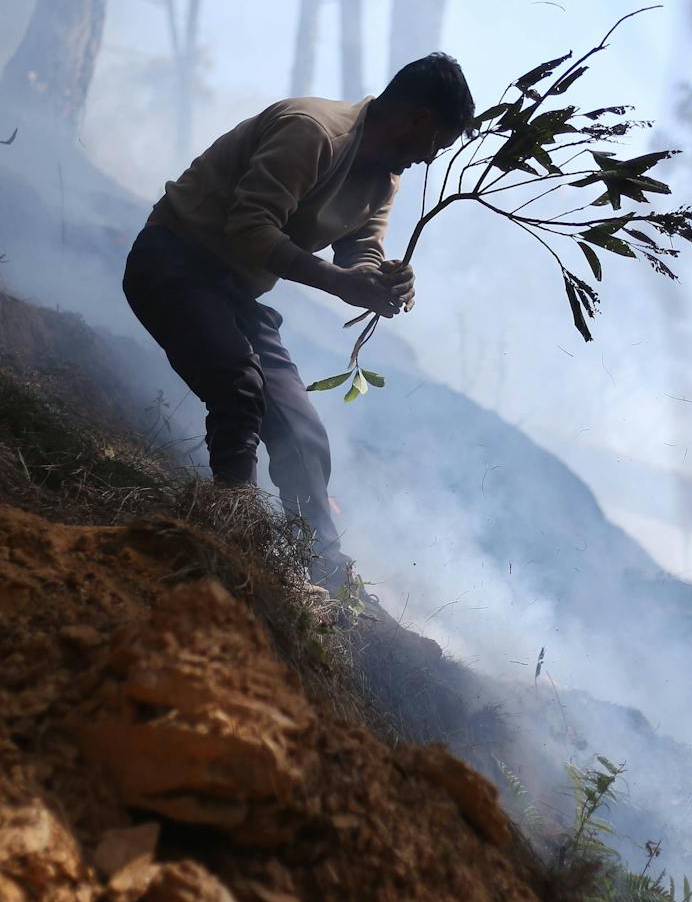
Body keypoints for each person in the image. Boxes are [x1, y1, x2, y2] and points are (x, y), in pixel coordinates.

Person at [123, 53, 474, 588]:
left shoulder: (384, 180)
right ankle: (226, 533)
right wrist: (341, 284)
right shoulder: (312, 133)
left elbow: (360, 247)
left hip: (236, 292)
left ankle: (326, 576)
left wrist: (380, 279)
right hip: (174, 261)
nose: (431, 158)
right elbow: (250, 229)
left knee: (302, 435)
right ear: (419, 120)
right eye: (439, 143)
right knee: (240, 388)